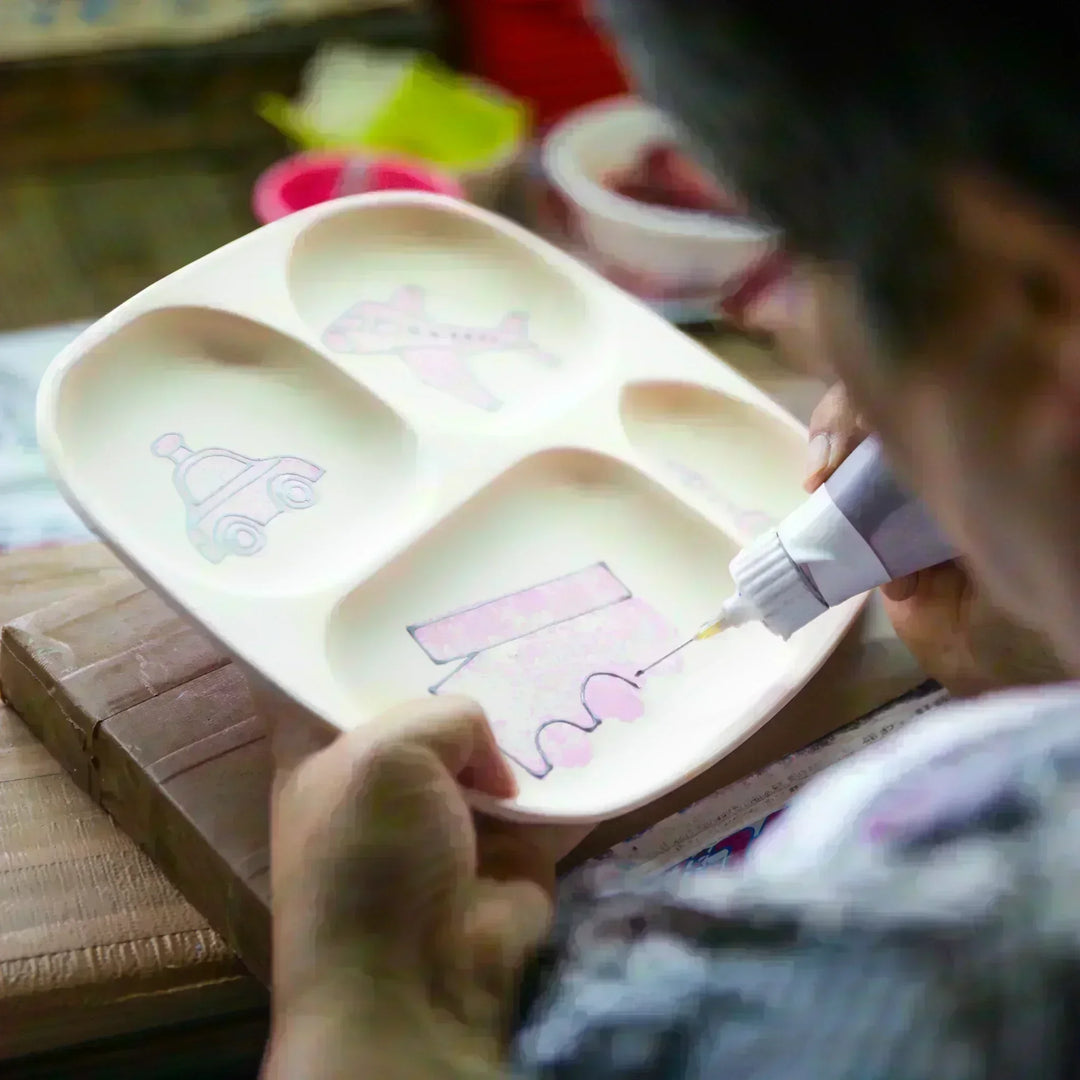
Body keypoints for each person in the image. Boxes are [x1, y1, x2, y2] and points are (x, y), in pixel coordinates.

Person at [261, 5, 1080, 1077]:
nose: (798, 333)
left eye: (796, 261)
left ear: (1028, 297)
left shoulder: (881, 969)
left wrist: (376, 1012)